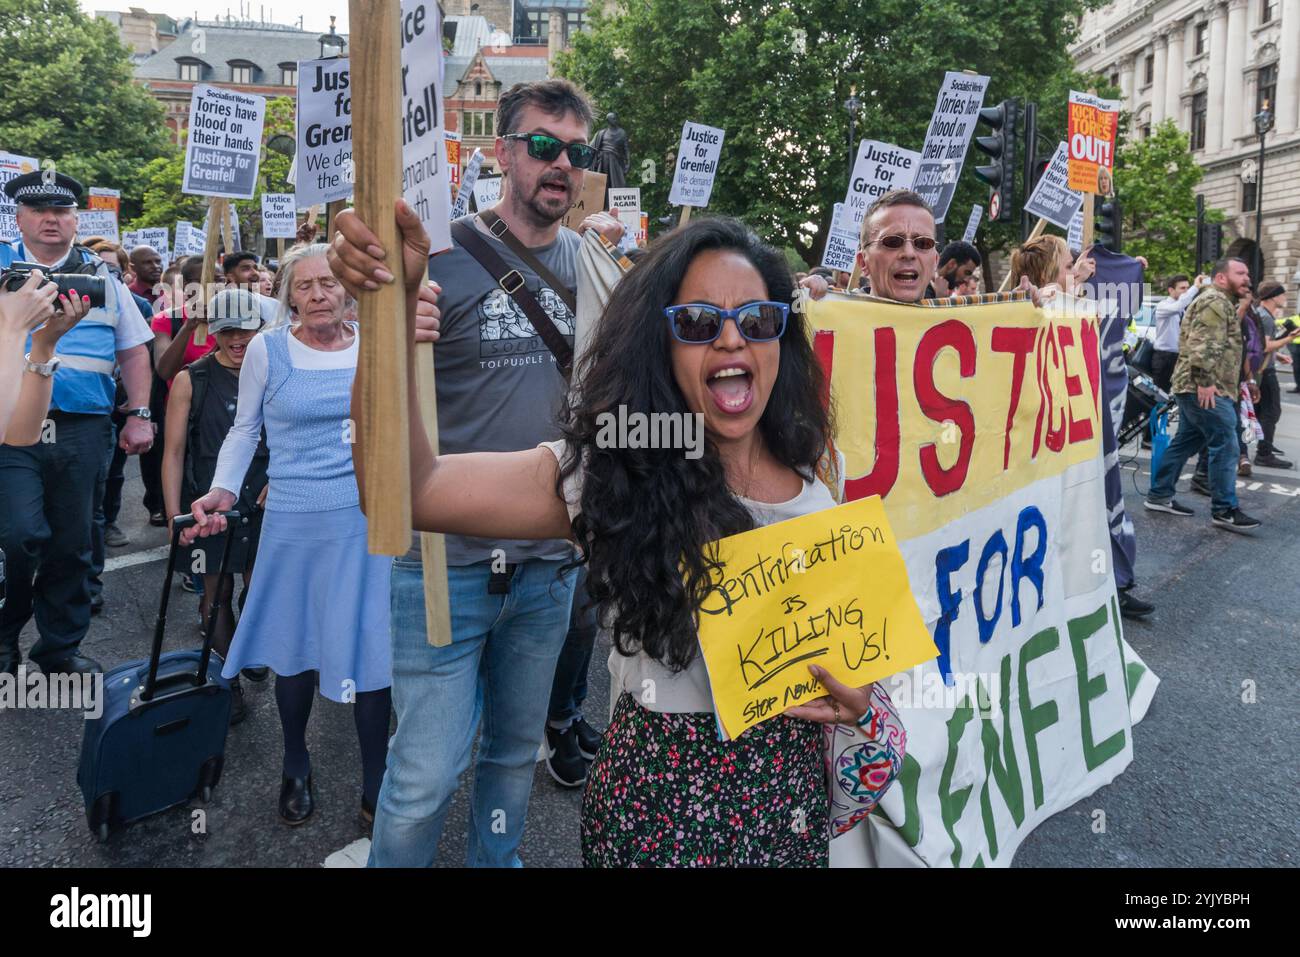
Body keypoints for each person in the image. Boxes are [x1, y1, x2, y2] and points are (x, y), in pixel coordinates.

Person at [332, 203, 901, 867]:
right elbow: (400, 488)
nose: (731, 341)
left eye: (757, 320)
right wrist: (389, 317)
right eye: (696, 322)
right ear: (660, 346)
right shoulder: (613, 473)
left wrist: (862, 705)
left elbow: (865, 683)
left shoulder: (817, 476)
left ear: (781, 337)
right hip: (656, 823)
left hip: (789, 818)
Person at [338, 78, 625, 864]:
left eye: (575, 150)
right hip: (444, 564)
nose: (560, 163)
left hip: (548, 569)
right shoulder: (436, 257)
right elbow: (377, 427)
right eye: (542, 146)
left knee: (510, 756)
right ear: (502, 152)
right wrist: (389, 322)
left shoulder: (599, 268)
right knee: (426, 774)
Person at [183, 243, 396, 830]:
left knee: (370, 650)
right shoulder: (268, 350)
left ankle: (377, 781)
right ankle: (296, 763)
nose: (318, 294)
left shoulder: (377, 343)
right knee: (295, 651)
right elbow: (245, 429)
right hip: (294, 519)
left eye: (329, 282)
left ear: (348, 289)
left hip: (365, 517)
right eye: (304, 286)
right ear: (288, 296)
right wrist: (224, 490)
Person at [0, 171, 155, 677]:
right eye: (40, 211)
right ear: (19, 219)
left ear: (75, 220)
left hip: (82, 429)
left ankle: (59, 650)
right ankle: (4, 639)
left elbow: (134, 351)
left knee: (72, 542)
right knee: (16, 537)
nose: (52, 220)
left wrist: (138, 413)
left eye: (62, 211)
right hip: (10, 428)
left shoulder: (102, 276)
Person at [163, 290, 269, 724]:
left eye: (245, 328)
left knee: (260, 590)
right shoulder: (194, 378)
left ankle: (253, 645)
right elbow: (172, 451)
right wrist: (174, 517)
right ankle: (227, 682)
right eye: (227, 329)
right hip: (212, 501)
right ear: (214, 332)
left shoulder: (274, 368)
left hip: (266, 497)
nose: (237, 338)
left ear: (261, 328)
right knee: (216, 592)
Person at [1145, 258, 1260, 532]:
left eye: (1247, 272)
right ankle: (1224, 510)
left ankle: (1159, 494)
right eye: (1240, 273)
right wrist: (1206, 382)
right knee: (1226, 441)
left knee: (1187, 440)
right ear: (1221, 278)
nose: (1247, 278)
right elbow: (1203, 344)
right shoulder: (1215, 302)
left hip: (1198, 385)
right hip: (1206, 387)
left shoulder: (1221, 302)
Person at [1245, 282, 1297, 469]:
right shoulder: (1265, 317)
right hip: (1265, 372)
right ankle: (1264, 453)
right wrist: (1290, 338)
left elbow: (1261, 346)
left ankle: (1260, 445)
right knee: (1271, 411)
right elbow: (1265, 346)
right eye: (1283, 295)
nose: (1285, 298)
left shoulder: (1262, 314)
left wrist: (1278, 354)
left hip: (1262, 369)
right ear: (1274, 297)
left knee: (1259, 412)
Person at [1151, 274, 1202, 393]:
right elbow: (1177, 307)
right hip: (1164, 357)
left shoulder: (1182, 308)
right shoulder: (1163, 306)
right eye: (1182, 288)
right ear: (1171, 290)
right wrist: (1195, 287)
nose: (1185, 292)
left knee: (1177, 394)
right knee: (1160, 395)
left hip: (1178, 357)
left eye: (1187, 288)